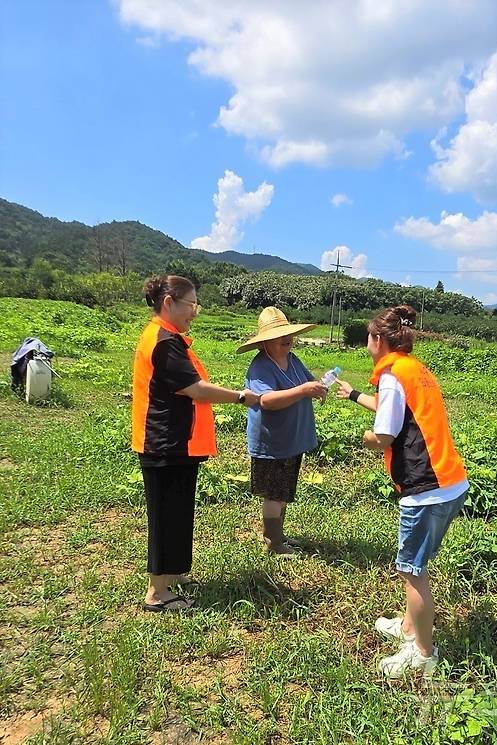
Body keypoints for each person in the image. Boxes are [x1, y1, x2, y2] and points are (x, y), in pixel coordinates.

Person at [336, 305, 468, 678]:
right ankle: (409, 628)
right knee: (414, 566)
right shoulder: (413, 369)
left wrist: (366, 439)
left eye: (367, 338)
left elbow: (384, 434)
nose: (367, 344)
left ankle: (423, 653)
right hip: (449, 482)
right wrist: (354, 395)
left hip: (426, 487)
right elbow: (391, 407)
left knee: (412, 570)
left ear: (377, 340)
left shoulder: (393, 374)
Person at [132, 275, 259, 612]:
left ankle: (171, 575)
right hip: (164, 443)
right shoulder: (163, 342)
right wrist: (242, 396)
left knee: (177, 512)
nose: (195, 312)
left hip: (177, 443)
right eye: (191, 305)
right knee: (166, 515)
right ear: (168, 303)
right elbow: (197, 389)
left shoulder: (170, 338)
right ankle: (157, 593)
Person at [237, 307, 327, 557]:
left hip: (292, 439)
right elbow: (265, 400)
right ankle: (272, 541)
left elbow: (309, 382)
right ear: (265, 342)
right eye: (279, 336)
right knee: (274, 492)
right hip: (272, 441)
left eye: (287, 334)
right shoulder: (261, 366)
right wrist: (304, 391)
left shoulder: (293, 359)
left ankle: (278, 535)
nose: (287, 339)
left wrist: (319, 387)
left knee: (283, 490)